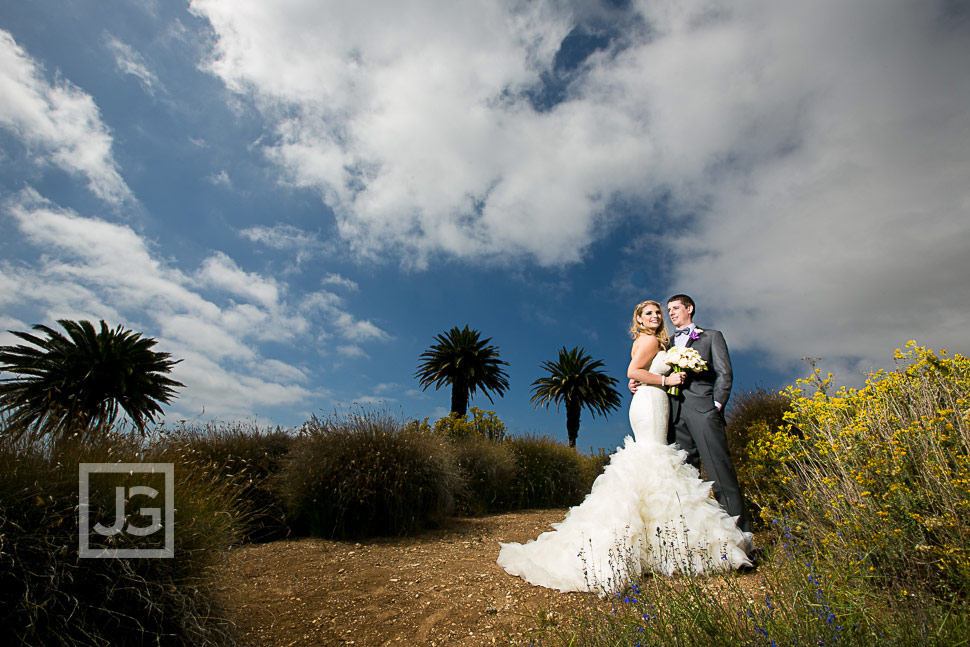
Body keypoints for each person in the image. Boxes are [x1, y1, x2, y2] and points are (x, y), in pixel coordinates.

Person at [496, 300, 752, 595]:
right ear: (639, 319)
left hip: (673, 405)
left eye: (662, 312)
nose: (659, 316)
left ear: (689, 310)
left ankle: (701, 537)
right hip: (656, 406)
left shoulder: (692, 338)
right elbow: (635, 370)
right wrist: (659, 379)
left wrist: (706, 401)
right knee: (654, 461)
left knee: (666, 467)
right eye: (652, 313)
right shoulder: (650, 340)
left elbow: (711, 372)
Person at [659, 294, 751, 534]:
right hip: (675, 414)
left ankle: (739, 534)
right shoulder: (666, 343)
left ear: (689, 308)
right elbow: (655, 372)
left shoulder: (711, 336)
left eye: (676, 308)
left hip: (704, 409)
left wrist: (716, 406)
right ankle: (698, 535)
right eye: (669, 309)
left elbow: (724, 373)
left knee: (719, 470)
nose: (671, 313)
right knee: (686, 474)